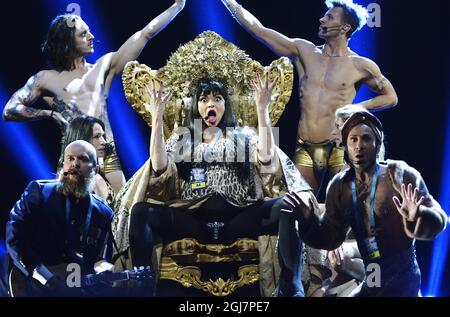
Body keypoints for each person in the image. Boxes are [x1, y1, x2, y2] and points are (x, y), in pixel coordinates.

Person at [125, 74, 316, 297]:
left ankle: (291, 285)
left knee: (287, 204)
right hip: (194, 220)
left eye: (217, 99)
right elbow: (158, 166)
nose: (210, 104)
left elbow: (266, 158)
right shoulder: (184, 138)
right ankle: (142, 287)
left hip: (239, 218)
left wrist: (262, 109)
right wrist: (157, 117)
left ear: (225, 105)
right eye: (204, 99)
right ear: (197, 107)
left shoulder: (244, 135)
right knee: (140, 212)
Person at [2, 0, 187, 193]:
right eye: (83, 34)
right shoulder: (45, 79)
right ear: (67, 42)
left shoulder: (102, 68)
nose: (91, 37)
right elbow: (9, 110)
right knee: (79, 213)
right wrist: (49, 114)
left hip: (107, 155)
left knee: (122, 211)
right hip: (75, 156)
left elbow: (145, 34)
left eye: (89, 31)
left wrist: (177, 7)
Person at [221, 0, 398, 194]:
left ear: (345, 28)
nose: (322, 19)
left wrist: (356, 108)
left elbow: (390, 97)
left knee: (346, 208)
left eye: (329, 17)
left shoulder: (360, 65)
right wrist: (229, 2)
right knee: (300, 208)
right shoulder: (304, 51)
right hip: (305, 147)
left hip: (338, 148)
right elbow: (259, 30)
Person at [282, 111, 448, 296]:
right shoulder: (340, 186)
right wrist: (307, 220)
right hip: (372, 276)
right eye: (353, 140)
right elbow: (330, 237)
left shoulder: (398, 174)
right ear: (345, 145)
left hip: (402, 278)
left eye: (366, 139)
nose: (359, 146)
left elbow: (440, 219)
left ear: (377, 144)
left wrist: (420, 216)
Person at [6, 141, 114, 296]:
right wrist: (45, 277)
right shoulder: (39, 192)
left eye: (82, 159)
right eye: (70, 158)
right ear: (63, 165)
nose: (75, 164)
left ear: (96, 169)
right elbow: (14, 237)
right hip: (26, 284)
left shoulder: (103, 213)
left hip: (73, 287)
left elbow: (98, 260)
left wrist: (105, 268)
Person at [59, 116, 118, 207]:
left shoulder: (98, 170)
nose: (104, 142)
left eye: (103, 136)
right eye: (97, 136)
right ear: (82, 139)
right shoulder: (70, 178)